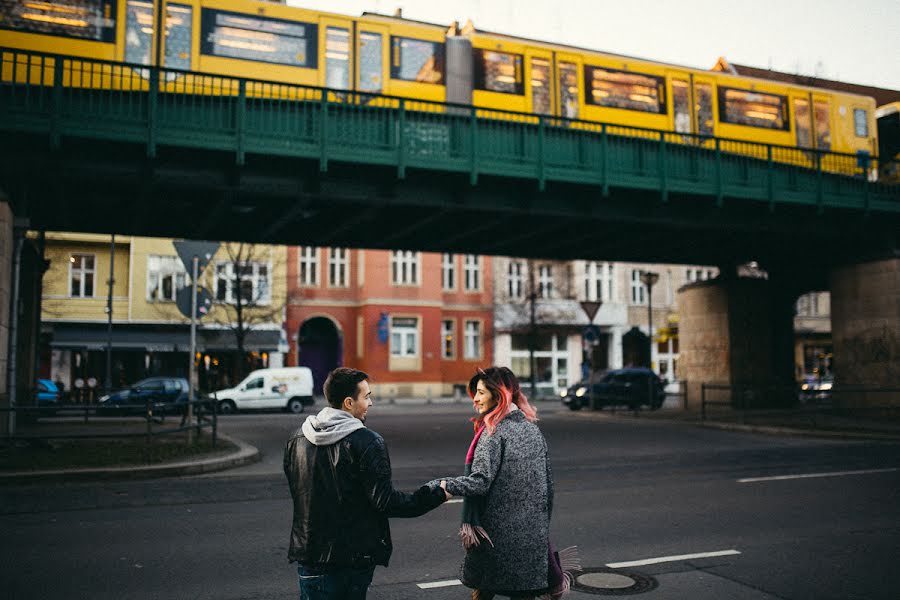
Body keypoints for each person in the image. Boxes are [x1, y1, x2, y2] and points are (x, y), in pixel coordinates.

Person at [283, 367, 448, 600]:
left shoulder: (297, 438)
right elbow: (386, 502)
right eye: (367, 396)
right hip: (349, 561)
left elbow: (298, 491)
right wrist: (436, 494)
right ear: (349, 402)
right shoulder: (367, 441)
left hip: (308, 555)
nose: (370, 403)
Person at [435, 367, 577, 600]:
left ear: (498, 395)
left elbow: (479, 482)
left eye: (481, 393)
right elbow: (548, 487)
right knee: (524, 593)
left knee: (484, 590)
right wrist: (540, 528)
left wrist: (443, 485)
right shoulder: (532, 429)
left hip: (496, 539)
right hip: (531, 535)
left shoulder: (492, 432)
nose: (476, 400)